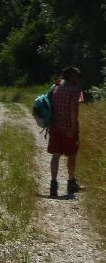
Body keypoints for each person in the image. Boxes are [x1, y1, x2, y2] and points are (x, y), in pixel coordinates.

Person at [48, 66, 82, 198]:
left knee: (55, 155)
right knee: (71, 156)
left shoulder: (56, 87)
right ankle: (71, 183)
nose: (79, 78)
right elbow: (74, 109)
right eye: (77, 76)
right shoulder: (75, 90)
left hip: (55, 126)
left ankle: (53, 185)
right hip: (68, 127)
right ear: (71, 77)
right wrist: (73, 128)